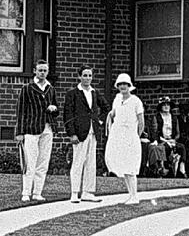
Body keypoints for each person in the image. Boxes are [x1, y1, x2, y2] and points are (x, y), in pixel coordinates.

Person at [14, 61, 58, 202]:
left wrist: (54, 109)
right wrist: (19, 132)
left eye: (45, 70)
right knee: (30, 162)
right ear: (35, 71)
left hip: (47, 128)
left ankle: (37, 192)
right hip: (31, 129)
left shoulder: (51, 89)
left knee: (43, 162)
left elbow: (56, 109)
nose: (42, 73)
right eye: (40, 70)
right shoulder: (27, 89)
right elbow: (20, 111)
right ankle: (26, 192)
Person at [61, 66, 105, 203]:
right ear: (79, 76)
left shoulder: (95, 92)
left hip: (93, 132)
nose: (87, 78)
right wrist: (72, 133)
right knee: (78, 162)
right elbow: (67, 114)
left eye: (89, 75)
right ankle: (74, 192)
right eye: (85, 75)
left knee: (91, 163)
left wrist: (100, 121)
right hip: (79, 133)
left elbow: (106, 108)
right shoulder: (73, 93)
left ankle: (88, 192)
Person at [104, 73, 145, 204]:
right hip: (118, 135)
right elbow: (114, 113)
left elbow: (141, 121)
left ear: (129, 86)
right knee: (124, 166)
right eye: (120, 84)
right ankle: (130, 195)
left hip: (130, 137)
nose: (123, 87)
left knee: (131, 166)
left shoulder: (136, 101)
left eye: (125, 84)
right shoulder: (117, 99)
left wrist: (136, 136)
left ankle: (135, 196)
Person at [144, 97, 180, 178]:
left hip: (172, 140)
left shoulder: (174, 118)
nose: (166, 106)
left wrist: (174, 140)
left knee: (182, 148)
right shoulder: (156, 117)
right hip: (161, 140)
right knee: (164, 147)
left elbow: (178, 133)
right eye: (164, 105)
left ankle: (181, 170)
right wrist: (163, 140)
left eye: (168, 105)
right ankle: (161, 169)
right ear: (160, 107)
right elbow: (155, 131)